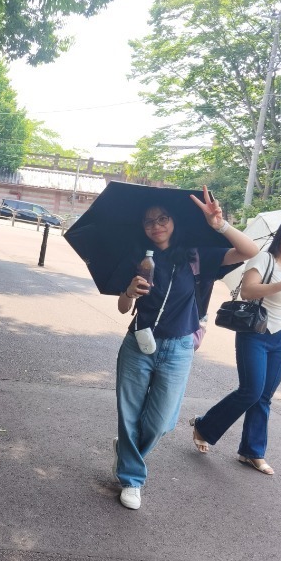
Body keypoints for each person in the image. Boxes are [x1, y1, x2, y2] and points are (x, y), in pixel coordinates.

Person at [111, 188, 259, 510]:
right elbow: (123, 308)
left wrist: (219, 224)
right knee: (130, 413)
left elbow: (249, 250)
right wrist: (129, 291)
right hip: (138, 343)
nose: (156, 225)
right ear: (143, 227)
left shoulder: (197, 256)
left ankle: (126, 449)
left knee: (161, 422)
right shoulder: (138, 259)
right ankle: (132, 478)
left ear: (173, 221)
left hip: (178, 348)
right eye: (149, 221)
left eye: (162, 218)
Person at [190, 218, 281, 475]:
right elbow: (248, 291)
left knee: (264, 396)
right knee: (251, 391)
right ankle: (205, 426)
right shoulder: (264, 259)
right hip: (255, 333)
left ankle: (252, 452)